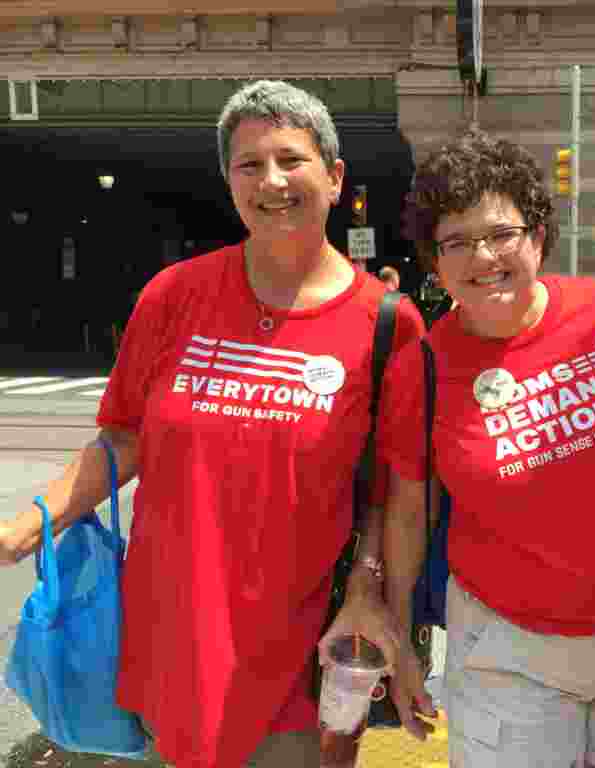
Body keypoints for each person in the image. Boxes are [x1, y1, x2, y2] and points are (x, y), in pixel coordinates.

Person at [0, 79, 425, 768]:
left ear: (336, 176)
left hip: (302, 656)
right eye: (249, 164)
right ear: (230, 182)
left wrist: (374, 593)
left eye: (291, 159)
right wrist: (23, 531)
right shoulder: (174, 297)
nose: (272, 180)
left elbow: (395, 490)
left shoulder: (387, 324)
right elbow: (124, 438)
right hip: (173, 642)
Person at [371, 131, 595, 767]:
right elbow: (406, 515)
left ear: (537, 235)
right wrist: (399, 640)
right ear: (433, 261)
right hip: (509, 657)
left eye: (501, 233)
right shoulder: (421, 370)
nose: (483, 257)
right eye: (456, 242)